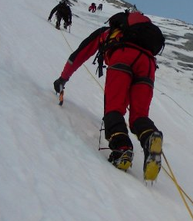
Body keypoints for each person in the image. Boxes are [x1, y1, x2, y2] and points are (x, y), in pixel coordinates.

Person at [52, 10, 164, 181]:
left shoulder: (108, 33)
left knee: (114, 108)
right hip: (148, 63)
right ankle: (150, 137)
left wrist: (63, 78)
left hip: (123, 56)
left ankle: (122, 149)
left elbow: (79, 55)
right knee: (139, 116)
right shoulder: (144, 38)